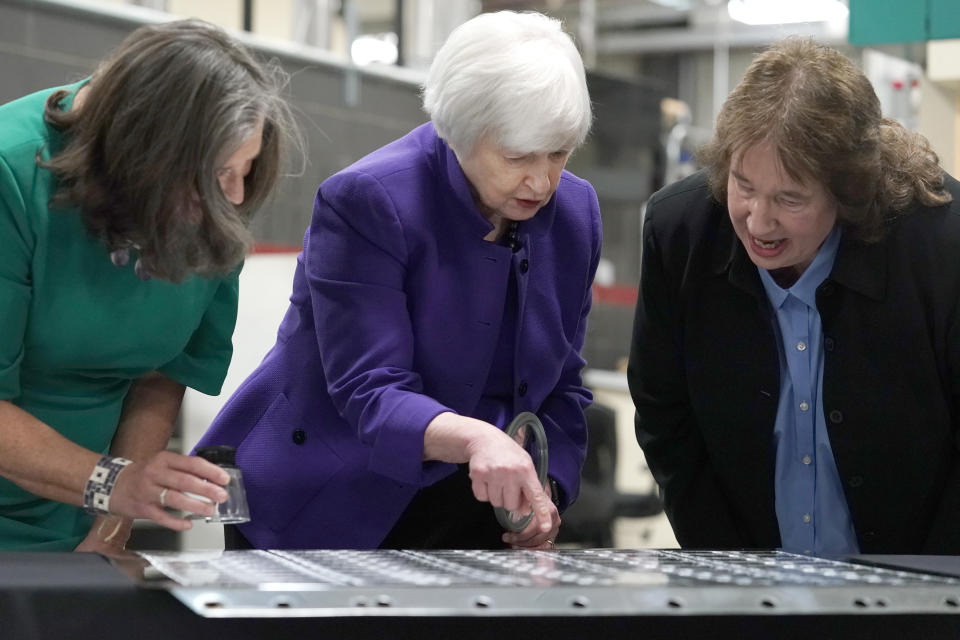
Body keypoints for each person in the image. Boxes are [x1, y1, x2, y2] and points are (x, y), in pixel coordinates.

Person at [196, 10, 599, 551]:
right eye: (518, 156)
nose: (542, 180)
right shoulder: (367, 200)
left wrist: (548, 486)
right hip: (328, 500)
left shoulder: (576, 213)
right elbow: (369, 387)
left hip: (473, 510)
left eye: (558, 153)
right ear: (459, 131)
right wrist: (478, 437)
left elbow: (564, 382)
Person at [628, 37, 960, 555]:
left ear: (847, 191)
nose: (758, 222)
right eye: (743, 185)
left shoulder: (941, 243)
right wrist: (729, 566)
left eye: (790, 197)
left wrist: (929, 589)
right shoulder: (681, 234)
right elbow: (664, 414)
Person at [0, 19, 299, 552]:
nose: (230, 198)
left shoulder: (218, 204)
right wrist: (112, 484)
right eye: (214, 174)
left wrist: (109, 529)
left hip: (80, 509)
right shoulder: (12, 175)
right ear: (144, 156)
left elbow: (163, 374)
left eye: (244, 170)